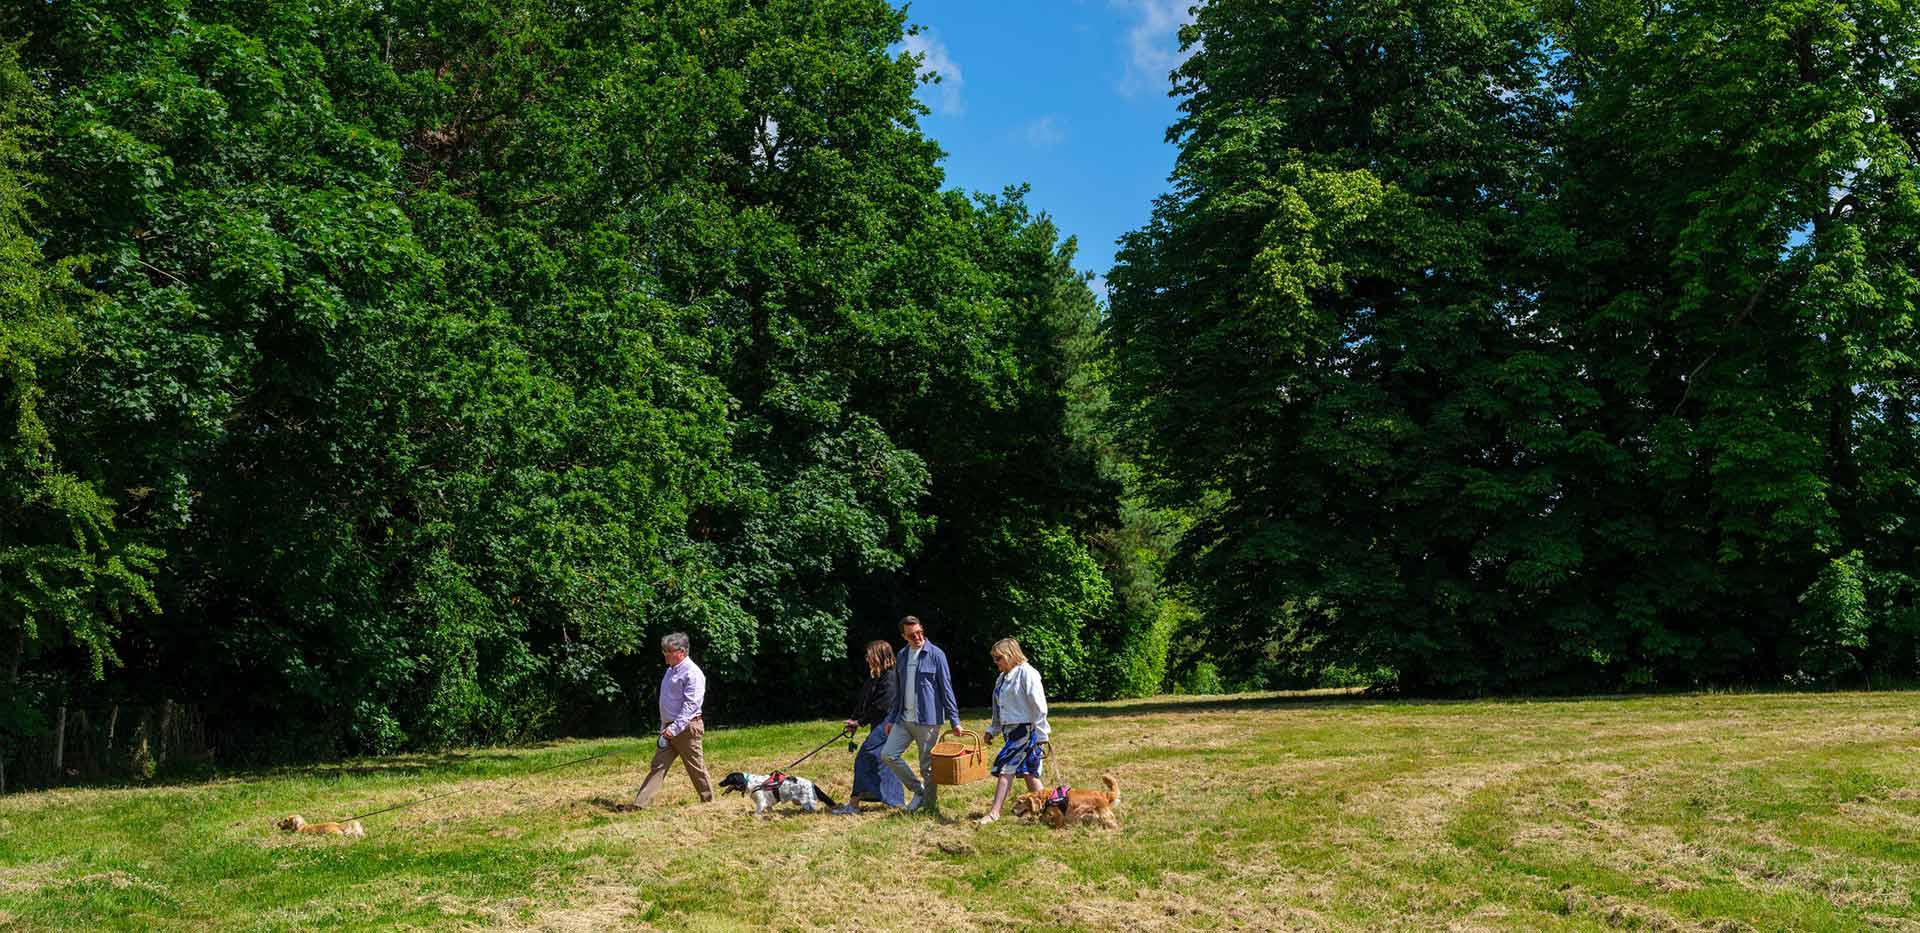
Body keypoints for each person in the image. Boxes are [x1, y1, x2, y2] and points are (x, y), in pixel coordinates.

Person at [879, 615, 962, 814]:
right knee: (888, 755)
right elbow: (899, 691)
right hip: (903, 718)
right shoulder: (902, 655)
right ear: (903, 636)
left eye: (919, 632)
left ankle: (930, 807)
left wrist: (955, 720)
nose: (917, 637)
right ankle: (919, 791)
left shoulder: (936, 654)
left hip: (928, 720)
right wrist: (891, 718)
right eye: (912, 635)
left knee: (928, 767)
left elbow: (946, 689)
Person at [629, 632, 714, 808]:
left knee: (695, 767)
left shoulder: (693, 673)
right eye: (664, 650)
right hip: (670, 728)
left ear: (681, 652)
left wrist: (673, 729)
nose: (665, 654)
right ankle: (639, 805)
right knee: (658, 766)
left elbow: (690, 706)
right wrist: (665, 727)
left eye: (668, 651)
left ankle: (709, 803)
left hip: (687, 728)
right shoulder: (670, 670)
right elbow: (668, 703)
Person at [975, 637, 1049, 826]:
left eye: (999, 658)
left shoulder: (1027, 673)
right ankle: (1049, 809)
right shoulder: (1002, 678)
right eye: (994, 658)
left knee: (1005, 768)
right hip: (1010, 730)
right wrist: (993, 729)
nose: (996, 662)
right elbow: (998, 708)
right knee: (1029, 772)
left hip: (1026, 730)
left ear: (1011, 655)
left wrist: (1042, 734)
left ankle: (994, 813)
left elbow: (1039, 705)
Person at [832, 640, 904, 814]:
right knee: (885, 761)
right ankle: (895, 801)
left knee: (865, 757)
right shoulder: (876, 676)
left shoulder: (891, 677)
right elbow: (864, 700)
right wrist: (854, 720)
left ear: (880, 655)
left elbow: (882, 706)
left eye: (869, 655)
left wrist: (860, 722)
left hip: (888, 725)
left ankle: (854, 804)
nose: (866, 658)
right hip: (879, 724)